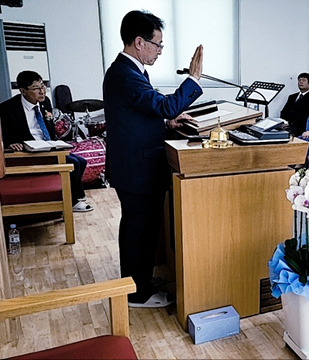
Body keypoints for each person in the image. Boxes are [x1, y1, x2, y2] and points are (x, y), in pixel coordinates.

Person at [103, 10, 203, 307]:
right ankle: (137, 293)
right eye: (158, 45)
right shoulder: (125, 73)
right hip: (136, 168)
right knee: (138, 231)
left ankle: (140, 279)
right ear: (139, 42)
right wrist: (193, 79)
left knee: (143, 230)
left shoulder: (131, 71)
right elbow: (165, 104)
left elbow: (141, 113)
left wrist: (166, 124)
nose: (160, 51)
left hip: (135, 164)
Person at [0, 70, 93, 213]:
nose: (42, 92)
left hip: (48, 145)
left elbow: (49, 128)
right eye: (36, 89)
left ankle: (71, 197)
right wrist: (9, 143)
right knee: (73, 163)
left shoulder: (45, 102)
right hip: (30, 150)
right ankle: (73, 201)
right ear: (22, 91)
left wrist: (55, 142)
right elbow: (0, 132)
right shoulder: (8, 108)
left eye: (43, 86)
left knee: (81, 161)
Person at [280, 73, 309, 137]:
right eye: (299, 80)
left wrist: (289, 124)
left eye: (303, 80)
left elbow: (306, 117)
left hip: (300, 128)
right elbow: (283, 112)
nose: (300, 82)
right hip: (287, 125)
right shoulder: (292, 97)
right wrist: (283, 122)